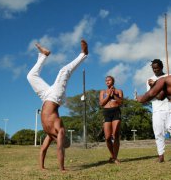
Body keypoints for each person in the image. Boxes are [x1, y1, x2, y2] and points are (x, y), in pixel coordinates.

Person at [27, 40, 88, 172]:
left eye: (60, 140)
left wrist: (42, 167)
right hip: (53, 97)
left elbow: (43, 149)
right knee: (57, 72)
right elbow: (60, 148)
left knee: (36, 75)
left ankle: (80, 54)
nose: (59, 140)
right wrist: (62, 168)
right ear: (64, 138)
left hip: (48, 98)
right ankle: (46, 55)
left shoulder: (50, 135)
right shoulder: (59, 130)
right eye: (62, 139)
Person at [147, 59, 171, 162]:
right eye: (153, 68)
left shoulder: (170, 76)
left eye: (157, 68)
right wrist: (152, 86)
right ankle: (161, 155)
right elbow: (152, 95)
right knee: (158, 133)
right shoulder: (150, 80)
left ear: (161, 67)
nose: (155, 70)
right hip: (157, 109)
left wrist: (164, 87)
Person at [99, 76, 123, 164]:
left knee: (116, 134)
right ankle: (112, 155)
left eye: (109, 80)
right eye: (106, 80)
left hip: (116, 111)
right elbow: (101, 103)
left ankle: (115, 157)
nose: (107, 81)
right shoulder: (103, 92)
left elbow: (120, 102)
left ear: (113, 81)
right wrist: (109, 95)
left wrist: (114, 95)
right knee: (108, 137)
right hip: (106, 112)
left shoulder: (119, 91)